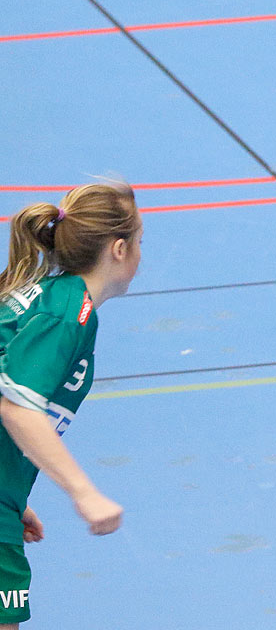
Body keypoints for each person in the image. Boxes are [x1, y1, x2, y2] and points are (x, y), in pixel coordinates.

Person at [0, 182, 139, 627]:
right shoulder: (65, 314)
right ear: (119, 249)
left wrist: (9, 496)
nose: (140, 253)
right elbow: (17, 406)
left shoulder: (45, 296)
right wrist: (85, 494)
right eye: (140, 242)